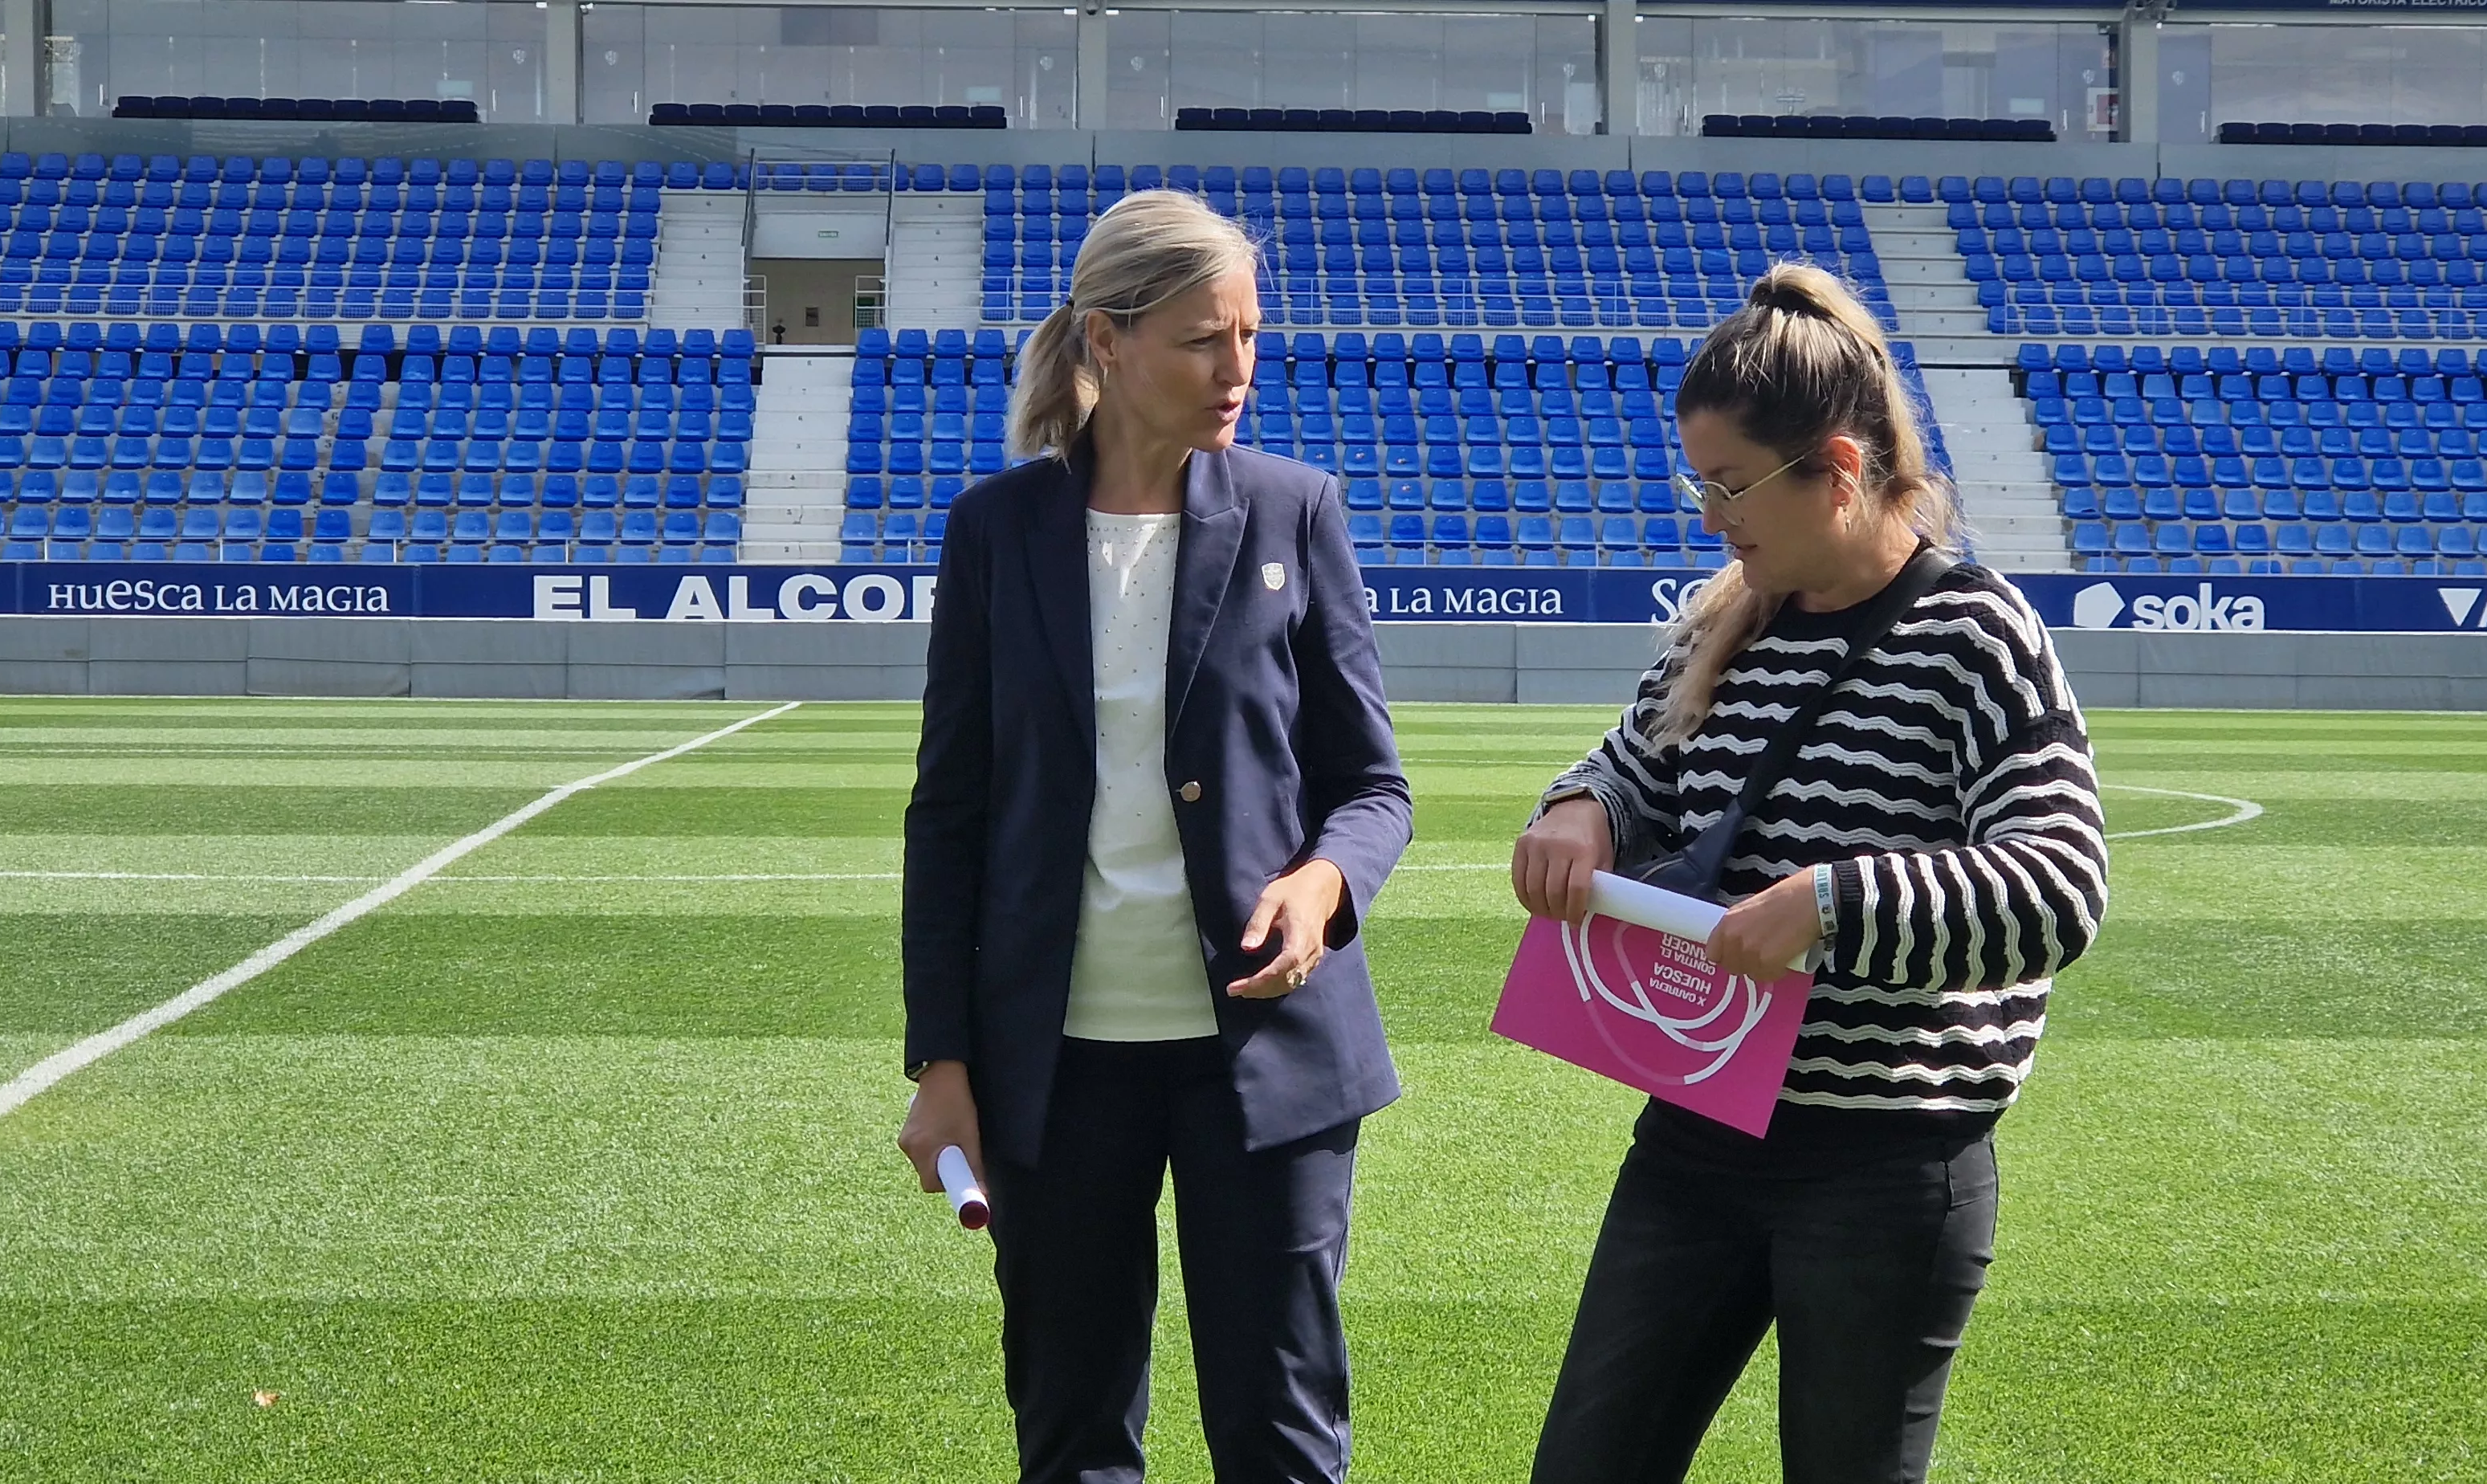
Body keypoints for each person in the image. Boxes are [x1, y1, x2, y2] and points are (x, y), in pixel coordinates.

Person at [1509, 263, 2110, 1484]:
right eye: (1701, 484)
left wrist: (1832, 906)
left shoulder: (1977, 638)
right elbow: (1638, 768)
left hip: (1887, 1165)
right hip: (1698, 1138)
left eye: (1732, 487)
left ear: (1838, 469)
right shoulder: (1724, 621)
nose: (1711, 517)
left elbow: (2059, 888)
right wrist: (1581, 811)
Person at [897, 190, 1412, 1484]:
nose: (1237, 369)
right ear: (1107, 343)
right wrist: (942, 1062)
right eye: (1201, 339)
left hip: (1271, 1057)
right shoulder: (995, 532)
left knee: (1282, 1439)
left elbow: (1373, 787)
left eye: (1248, 333)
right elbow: (949, 817)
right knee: (1072, 1437)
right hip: (1055, 1071)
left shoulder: (1299, 511)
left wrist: (1322, 883)